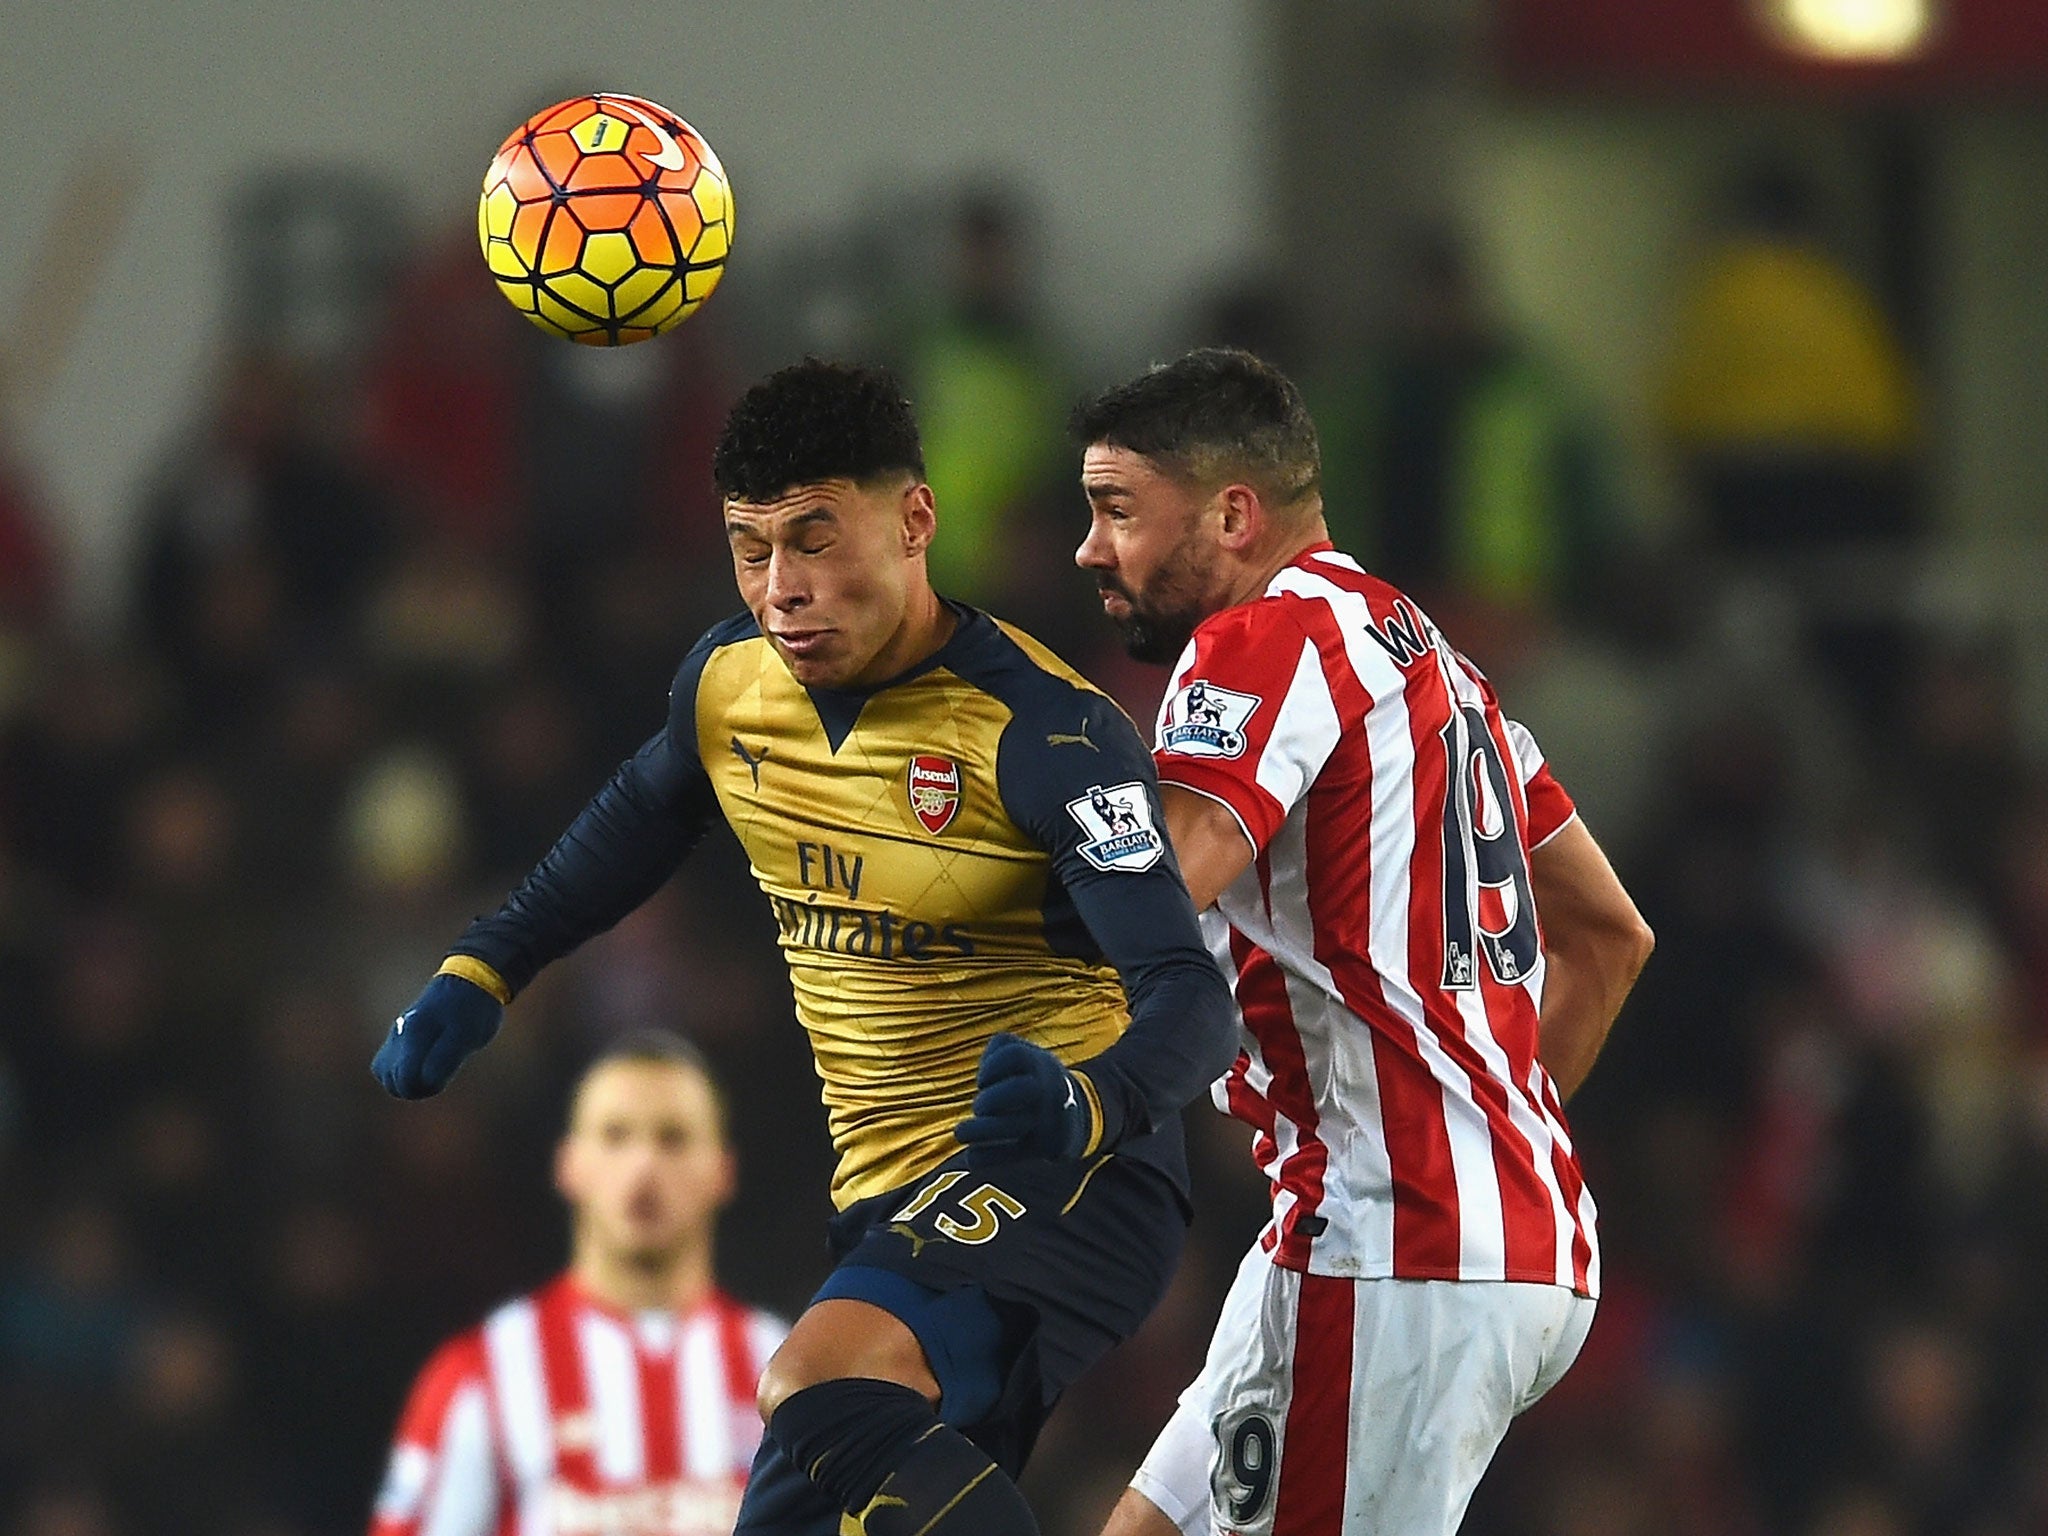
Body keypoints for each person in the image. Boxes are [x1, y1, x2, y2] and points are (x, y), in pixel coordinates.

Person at [370, 359, 1238, 1536]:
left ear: (914, 520)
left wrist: (1087, 1105)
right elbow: (631, 824)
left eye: (816, 539)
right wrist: (489, 963)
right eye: (751, 547)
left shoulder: (1047, 733)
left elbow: (1191, 997)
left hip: (1073, 1178)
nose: (782, 588)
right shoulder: (730, 687)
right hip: (887, 1206)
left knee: (813, 1375)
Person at [1068, 349, 1655, 1536]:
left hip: (1398, 1246)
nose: (1089, 549)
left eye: (1116, 511)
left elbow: (1166, 878)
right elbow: (1607, 935)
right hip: (1450, 1235)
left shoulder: (1262, 638)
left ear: (1232, 515)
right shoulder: (1426, 654)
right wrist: (1488, 1136)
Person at [367, 1031, 780, 1536]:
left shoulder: (785, 1373)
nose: (643, 1165)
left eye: (673, 1138)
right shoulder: (484, 1375)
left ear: (723, 1170)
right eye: (615, 1135)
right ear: (569, 1165)